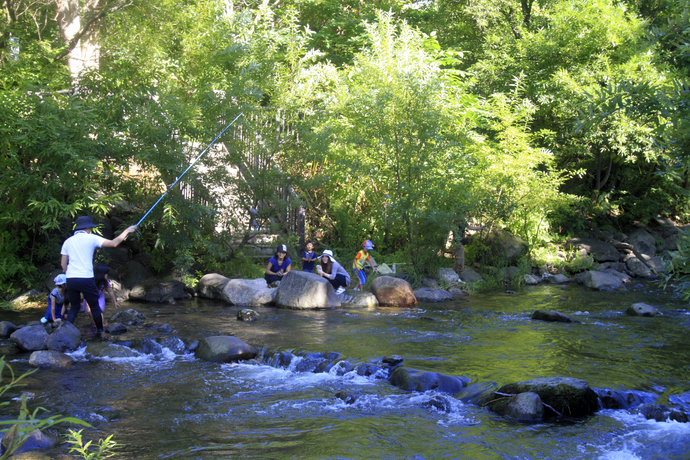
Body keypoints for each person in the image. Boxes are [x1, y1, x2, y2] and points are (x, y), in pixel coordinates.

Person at [61, 216, 137, 333]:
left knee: (74, 308)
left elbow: (63, 264)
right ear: (88, 228)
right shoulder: (91, 238)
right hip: (86, 278)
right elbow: (113, 243)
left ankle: (65, 332)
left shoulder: (67, 242)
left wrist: (69, 275)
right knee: (95, 307)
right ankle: (100, 333)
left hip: (71, 279)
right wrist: (127, 230)